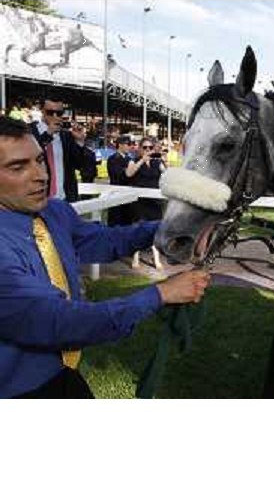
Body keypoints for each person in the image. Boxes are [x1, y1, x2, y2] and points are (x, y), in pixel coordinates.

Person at [0, 116, 211, 399]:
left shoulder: (54, 212)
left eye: (39, 160)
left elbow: (102, 240)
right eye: (17, 167)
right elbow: (59, 322)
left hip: (66, 375)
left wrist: (172, 229)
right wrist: (160, 294)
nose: (41, 174)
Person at [30, 99, 96, 202]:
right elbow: (31, 156)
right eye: (50, 112)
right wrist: (48, 134)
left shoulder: (66, 136)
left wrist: (80, 142)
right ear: (42, 111)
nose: (55, 116)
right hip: (38, 199)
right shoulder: (29, 132)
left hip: (65, 199)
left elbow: (81, 165)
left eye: (59, 113)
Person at [127, 136, 166, 269]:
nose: (148, 150)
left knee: (155, 229)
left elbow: (167, 174)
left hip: (154, 201)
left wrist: (165, 162)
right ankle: (135, 257)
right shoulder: (134, 160)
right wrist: (142, 161)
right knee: (138, 229)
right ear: (140, 149)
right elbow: (129, 174)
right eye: (145, 147)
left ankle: (156, 258)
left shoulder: (157, 162)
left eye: (150, 147)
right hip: (140, 202)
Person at [106, 135, 135, 227]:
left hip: (128, 196)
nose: (130, 146)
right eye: (128, 144)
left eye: (131, 144)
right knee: (115, 223)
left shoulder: (129, 159)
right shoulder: (112, 159)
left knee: (127, 223)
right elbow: (118, 176)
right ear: (120, 145)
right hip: (116, 195)